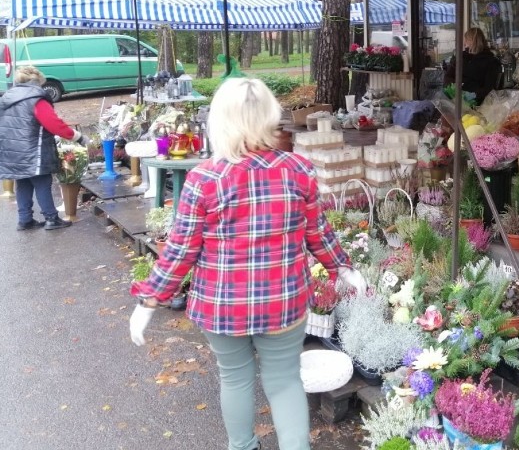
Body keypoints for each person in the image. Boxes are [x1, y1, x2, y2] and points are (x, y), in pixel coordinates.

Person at [128, 77, 365, 450]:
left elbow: (180, 250)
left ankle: (243, 446)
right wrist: (342, 268)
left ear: (220, 120)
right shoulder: (298, 170)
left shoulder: (203, 178)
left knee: (235, 378)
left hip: (222, 305)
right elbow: (317, 232)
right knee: (285, 380)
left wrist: (149, 300)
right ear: (270, 117)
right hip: (283, 301)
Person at [0, 66, 89, 230]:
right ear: (37, 81)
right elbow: (53, 124)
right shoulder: (37, 99)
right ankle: (51, 218)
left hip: (11, 150)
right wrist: (79, 137)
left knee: (23, 183)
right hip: (33, 149)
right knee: (42, 182)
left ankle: (25, 219)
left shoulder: (6, 98)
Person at [444, 26, 502, 105]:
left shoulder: (491, 61)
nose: (465, 43)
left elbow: (488, 88)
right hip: (456, 100)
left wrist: (474, 95)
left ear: (473, 41)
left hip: (478, 103)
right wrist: (454, 89)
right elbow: (448, 77)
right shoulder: (461, 57)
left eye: (467, 40)